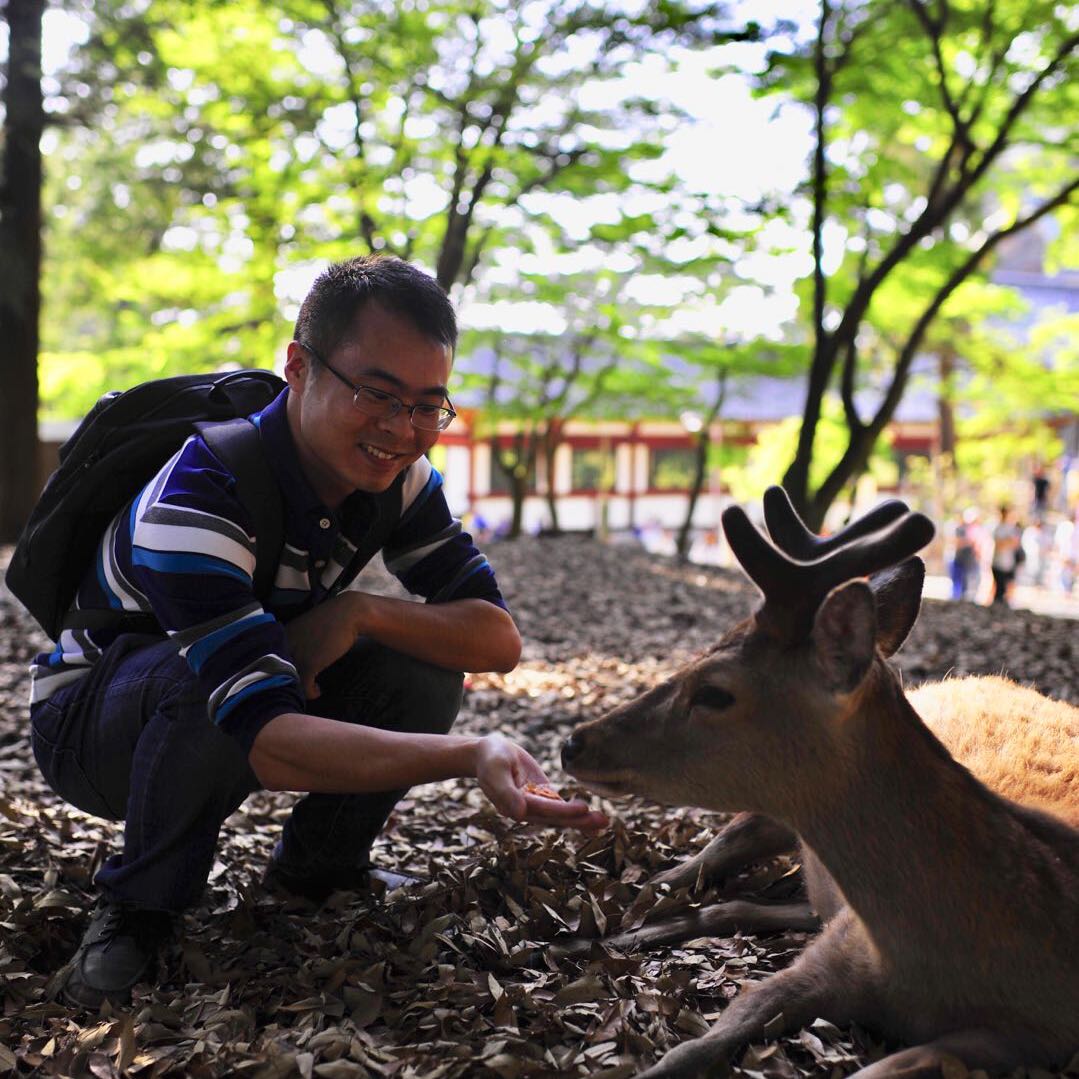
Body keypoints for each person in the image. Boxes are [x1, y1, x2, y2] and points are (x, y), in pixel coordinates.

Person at [27, 256, 606, 1010]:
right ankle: (139, 903)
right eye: (376, 393)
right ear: (298, 368)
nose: (401, 430)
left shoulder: (399, 479)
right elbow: (263, 734)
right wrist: (472, 753)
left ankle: (319, 866)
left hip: (256, 677)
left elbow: (494, 640)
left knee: (420, 660)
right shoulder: (201, 493)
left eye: (428, 405)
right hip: (95, 727)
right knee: (199, 682)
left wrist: (361, 612)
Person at [990, 505, 1022, 605]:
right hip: (998, 563)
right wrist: (1008, 541)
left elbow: (1016, 544)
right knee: (999, 588)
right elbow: (1000, 545)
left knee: (1009, 587)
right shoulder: (998, 528)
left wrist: (1006, 542)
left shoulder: (1012, 529)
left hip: (1010, 563)